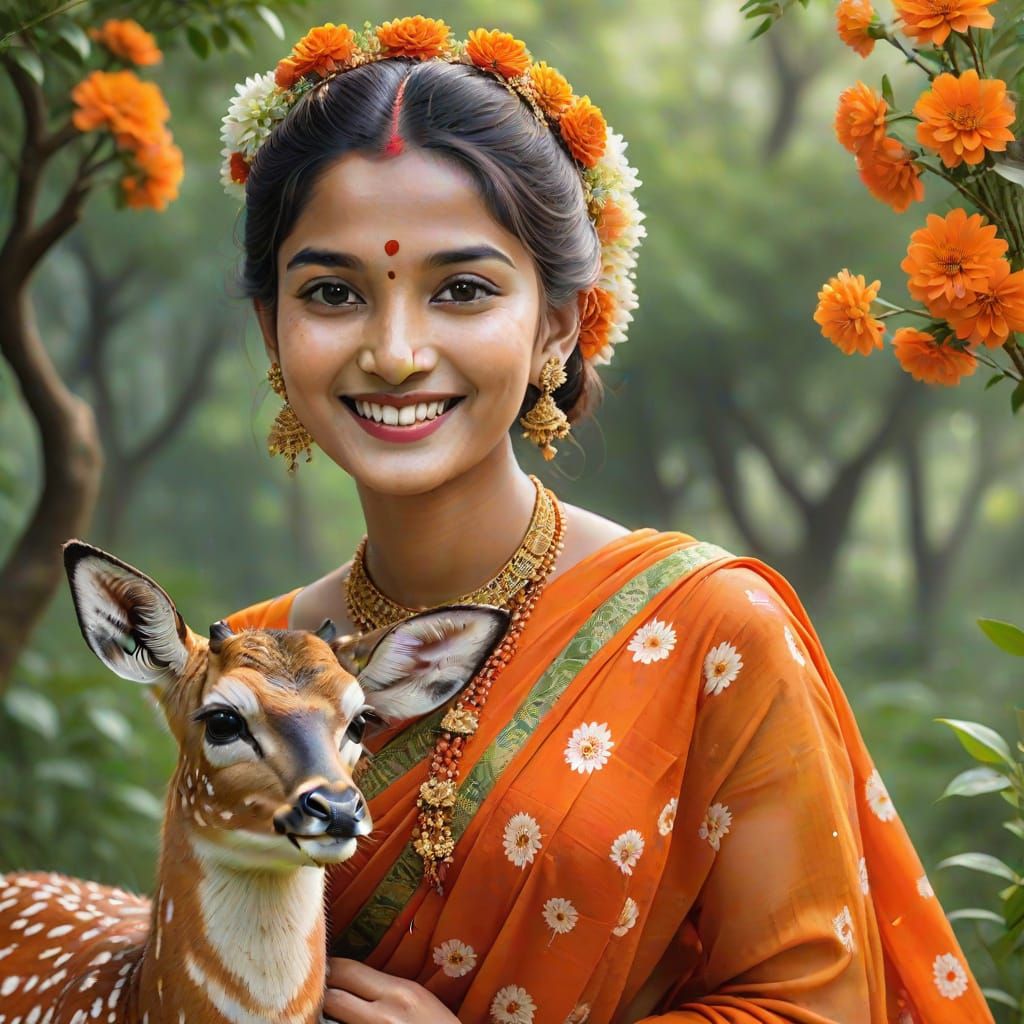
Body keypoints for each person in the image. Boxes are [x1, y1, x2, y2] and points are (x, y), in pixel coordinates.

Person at [220, 16, 990, 1024]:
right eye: (332, 292)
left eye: (462, 290)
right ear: (272, 328)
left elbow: (815, 1009)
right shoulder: (244, 667)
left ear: (556, 324)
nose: (396, 351)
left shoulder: (707, 633)